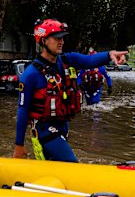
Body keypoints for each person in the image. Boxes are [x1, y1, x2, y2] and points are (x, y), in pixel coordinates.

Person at [12, 18, 128, 162]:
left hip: (63, 127)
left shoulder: (69, 60)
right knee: (72, 163)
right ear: (43, 41)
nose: (61, 42)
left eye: (62, 38)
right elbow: (22, 111)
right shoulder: (31, 74)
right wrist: (19, 145)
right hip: (45, 131)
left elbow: (90, 61)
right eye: (56, 38)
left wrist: (109, 54)